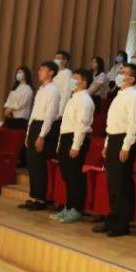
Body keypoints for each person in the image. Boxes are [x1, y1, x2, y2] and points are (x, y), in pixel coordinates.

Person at [92, 63, 136, 236]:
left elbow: (134, 123)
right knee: (112, 183)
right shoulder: (119, 95)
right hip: (114, 139)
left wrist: (126, 146)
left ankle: (123, 223)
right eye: (120, 71)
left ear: (132, 79)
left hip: (124, 140)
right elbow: (112, 123)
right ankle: (113, 217)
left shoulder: (134, 96)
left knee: (122, 183)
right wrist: (107, 144)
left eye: (123, 72)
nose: (119, 74)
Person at [53, 69, 94, 222]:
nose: (72, 80)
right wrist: (60, 143)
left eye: (75, 78)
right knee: (67, 175)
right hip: (66, 137)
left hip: (76, 139)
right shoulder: (73, 98)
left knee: (74, 175)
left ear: (84, 82)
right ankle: (69, 206)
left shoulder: (85, 100)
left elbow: (82, 125)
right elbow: (65, 123)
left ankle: (76, 209)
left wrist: (76, 145)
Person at [20, 61, 61, 211]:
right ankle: (35, 196)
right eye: (40, 69)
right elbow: (34, 112)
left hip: (44, 127)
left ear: (51, 72)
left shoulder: (53, 90)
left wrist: (42, 136)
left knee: (39, 164)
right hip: (34, 125)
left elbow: (50, 115)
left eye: (43, 69)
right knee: (31, 163)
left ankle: (42, 199)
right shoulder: (41, 89)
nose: (39, 72)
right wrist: (28, 133)